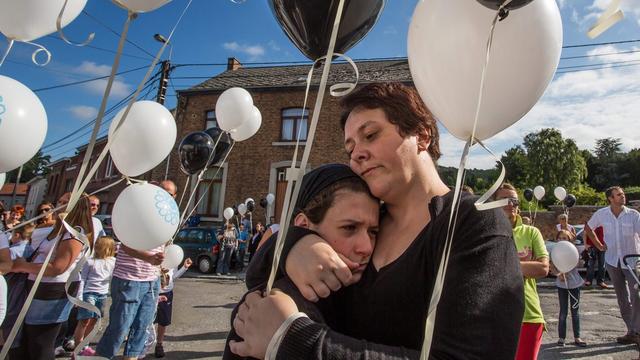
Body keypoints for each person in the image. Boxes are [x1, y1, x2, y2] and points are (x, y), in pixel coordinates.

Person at [230, 82, 524, 359]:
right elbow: (258, 290)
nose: (357, 154)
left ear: (422, 136)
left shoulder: (475, 223)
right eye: (349, 148)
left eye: (370, 135)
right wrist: (293, 244)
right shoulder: (366, 224)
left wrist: (293, 341)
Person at [224, 163, 380, 360]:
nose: (366, 247)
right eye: (349, 228)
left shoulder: (373, 286)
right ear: (303, 225)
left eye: (373, 232)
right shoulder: (269, 309)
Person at [95, 180, 175, 360]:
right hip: (129, 279)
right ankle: (101, 356)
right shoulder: (140, 213)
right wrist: (147, 257)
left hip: (151, 281)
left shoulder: (168, 219)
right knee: (119, 328)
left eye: (170, 194)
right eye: (163, 191)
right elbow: (125, 245)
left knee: (142, 328)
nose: (166, 196)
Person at [10, 194, 94, 360]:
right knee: (29, 339)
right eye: (59, 201)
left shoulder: (74, 233)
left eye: (64, 202)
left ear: (76, 206)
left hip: (52, 292)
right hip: (37, 287)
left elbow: (58, 267)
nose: (58, 205)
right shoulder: (59, 228)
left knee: (40, 341)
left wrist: (22, 266)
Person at [494, 183, 549, 360]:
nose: (510, 204)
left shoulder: (531, 232)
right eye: (504, 200)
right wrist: (524, 267)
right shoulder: (483, 232)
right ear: (492, 202)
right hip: (491, 314)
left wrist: (501, 265)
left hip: (528, 314)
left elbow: (543, 268)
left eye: (514, 201)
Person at [585, 186, 640, 345]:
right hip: (612, 260)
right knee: (622, 298)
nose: (623, 197)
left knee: (636, 296)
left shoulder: (633, 215)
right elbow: (588, 227)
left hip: (632, 262)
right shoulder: (602, 214)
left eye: (623, 194)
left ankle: (638, 330)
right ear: (610, 198)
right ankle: (631, 331)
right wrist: (598, 244)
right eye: (619, 195)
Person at [73, 235, 117, 356]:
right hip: (89, 294)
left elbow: (114, 277)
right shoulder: (90, 262)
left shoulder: (113, 262)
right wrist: (80, 296)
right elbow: (83, 279)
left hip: (103, 295)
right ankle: (78, 348)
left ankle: (85, 345)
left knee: (94, 321)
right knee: (84, 321)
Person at [551, 229, 587, 347]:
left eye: (564, 238)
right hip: (561, 285)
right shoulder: (555, 250)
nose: (562, 240)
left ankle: (577, 337)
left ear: (570, 239)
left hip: (574, 284)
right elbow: (552, 266)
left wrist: (566, 269)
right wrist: (559, 274)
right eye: (560, 238)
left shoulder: (573, 250)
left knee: (575, 311)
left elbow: (576, 263)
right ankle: (562, 338)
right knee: (563, 311)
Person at [153, 257, 193, 358]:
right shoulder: (154, 252)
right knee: (148, 321)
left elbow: (173, 277)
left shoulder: (173, 255)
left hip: (167, 293)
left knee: (163, 321)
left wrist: (184, 267)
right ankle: (143, 345)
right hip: (151, 291)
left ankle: (159, 344)